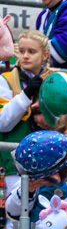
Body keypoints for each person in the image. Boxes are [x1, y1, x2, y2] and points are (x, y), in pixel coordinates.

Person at [0, 31, 53, 193]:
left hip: (51, 161)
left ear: (45, 55)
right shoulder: (6, 79)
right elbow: (2, 123)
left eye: (31, 52)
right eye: (21, 51)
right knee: (16, 215)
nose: (25, 56)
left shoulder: (56, 79)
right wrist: (26, 95)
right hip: (15, 164)